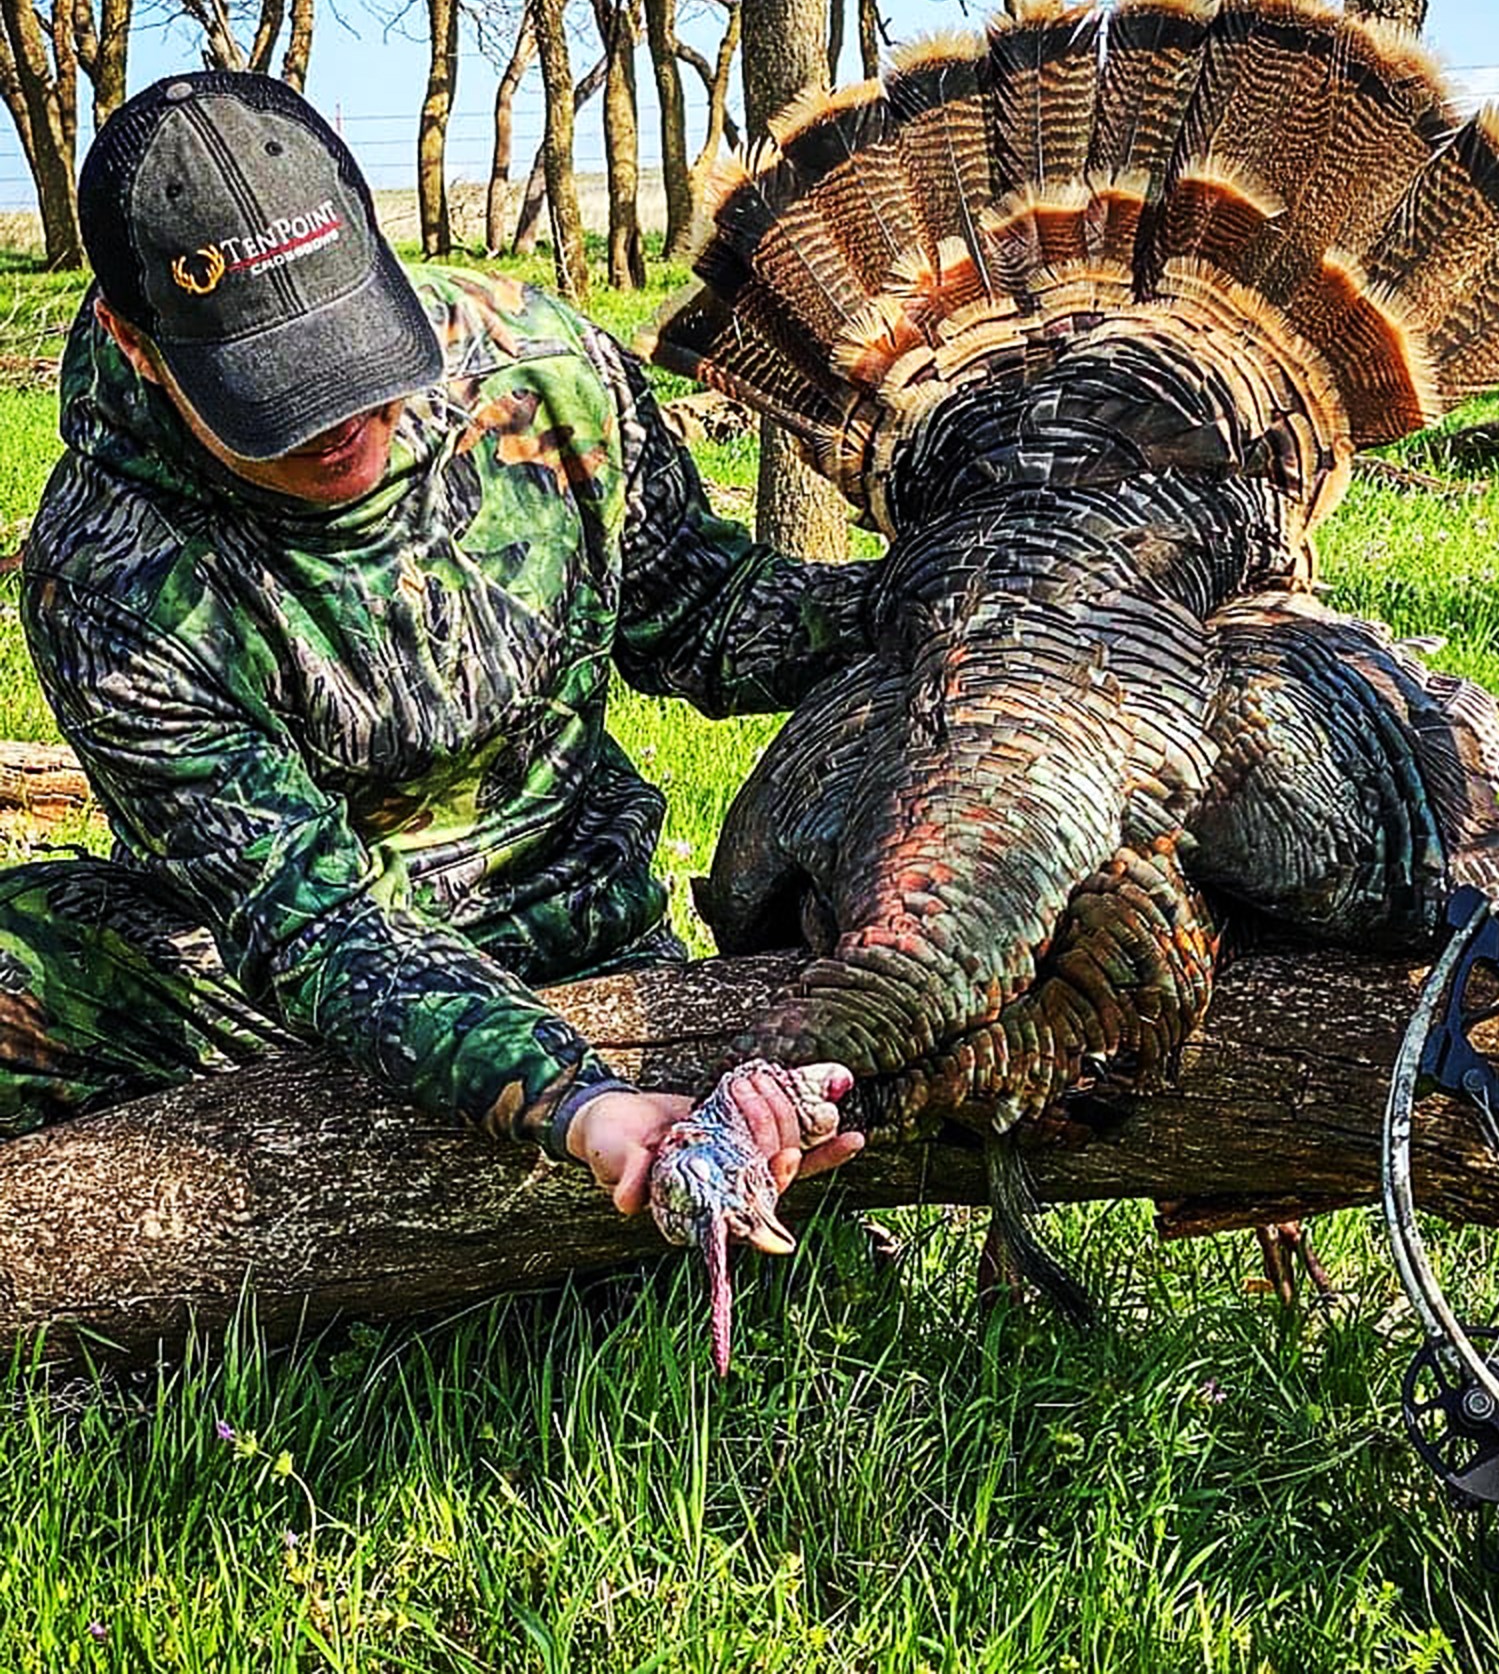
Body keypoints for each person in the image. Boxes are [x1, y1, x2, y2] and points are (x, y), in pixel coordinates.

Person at [0, 68, 864, 1213]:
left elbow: (696, 614)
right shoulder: (106, 574)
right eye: (273, 389)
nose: (339, 421)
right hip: (286, 986)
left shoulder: (537, 367)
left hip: (577, 931)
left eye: (352, 353)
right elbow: (311, 921)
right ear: (137, 341)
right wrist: (576, 1104)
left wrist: (926, 599)